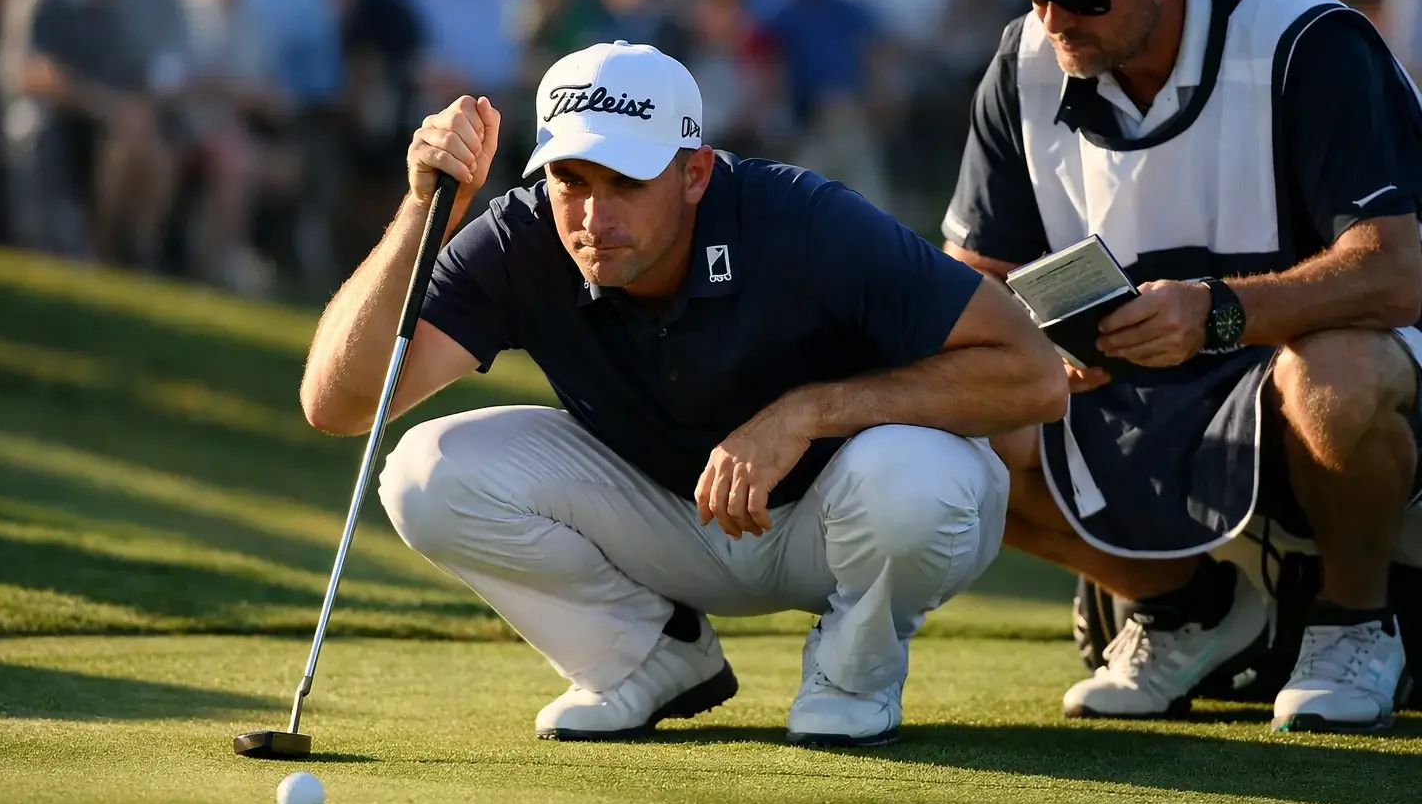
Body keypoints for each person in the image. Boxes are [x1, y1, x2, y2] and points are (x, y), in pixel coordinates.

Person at [300, 39, 1068, 745]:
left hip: (839, 522)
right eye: (570, 180)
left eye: (627, 183)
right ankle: (647, 659)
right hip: (665, 525)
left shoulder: (803, 219)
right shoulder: (522, 237)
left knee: (920, 477)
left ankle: (853, 676)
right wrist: (423, 214)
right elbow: (339, 406)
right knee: (423, 470)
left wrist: (807, 413)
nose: (594, 218)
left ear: (693, 172)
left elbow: (1032, 373)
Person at [941, 0, 1422, 732]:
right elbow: (970, 282)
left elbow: (1395, 275)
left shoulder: (1306, 43)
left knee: (1334, 372)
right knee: (949, 402)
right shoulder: (1021, 65)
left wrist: (1216, 313)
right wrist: (1029, 343)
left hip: (1329, 379)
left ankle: (1355, 620)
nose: (1054, 19)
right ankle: (1183, 606)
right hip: (1134, 396)